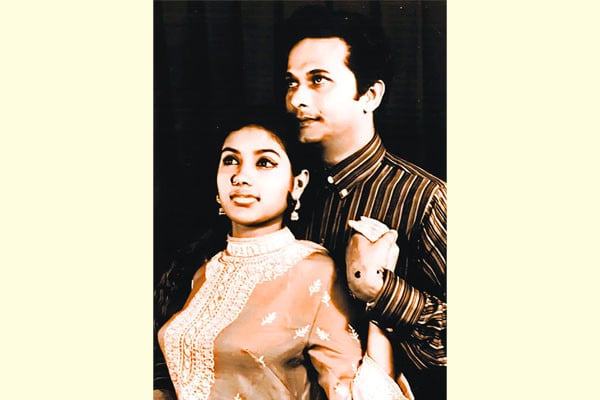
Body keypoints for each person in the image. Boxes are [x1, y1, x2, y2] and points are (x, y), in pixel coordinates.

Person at [154, 114, 407, 400]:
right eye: (230, 160)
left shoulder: (316, 272)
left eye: (264, 162)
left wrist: (378, 285)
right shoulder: (203, 270)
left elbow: (349, 389)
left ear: (297, 184)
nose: (241, 177)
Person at [282, 6, 447, 399]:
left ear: (370, 95)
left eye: (318, 80)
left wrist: (379, 290)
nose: (296, 99)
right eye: (291, 83)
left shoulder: (425, 198)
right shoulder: (280, 187)